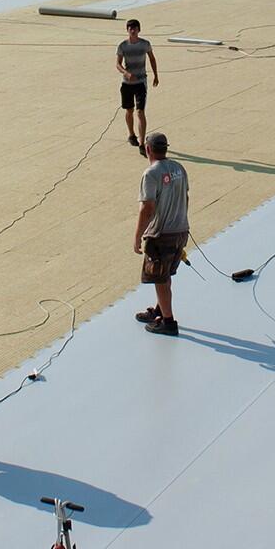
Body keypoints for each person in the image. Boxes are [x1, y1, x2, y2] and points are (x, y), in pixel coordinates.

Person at [132, 131, 189, 336]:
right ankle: (159, 309)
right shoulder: (179, 168)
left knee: (159, 278)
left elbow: (147, 208)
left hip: (161, 234)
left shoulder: (151, 174)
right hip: (181, 230)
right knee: (165, 275)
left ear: (148, 149)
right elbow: (186, 197)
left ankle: (168, 321)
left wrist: (138, 235)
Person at [115, 18, 158, 154]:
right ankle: (131, 134)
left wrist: (156, 75)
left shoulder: (145, 44)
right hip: (127, 84)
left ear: (139, 30)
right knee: (129, 110)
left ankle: (141, 143)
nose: (132, 30)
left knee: (140, 112)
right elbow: (118, 64)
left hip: (140, 83)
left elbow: (152, 58)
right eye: (130, 28)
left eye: (135, 28)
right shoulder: (122, 46)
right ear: (127, 30)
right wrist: (125, 73)